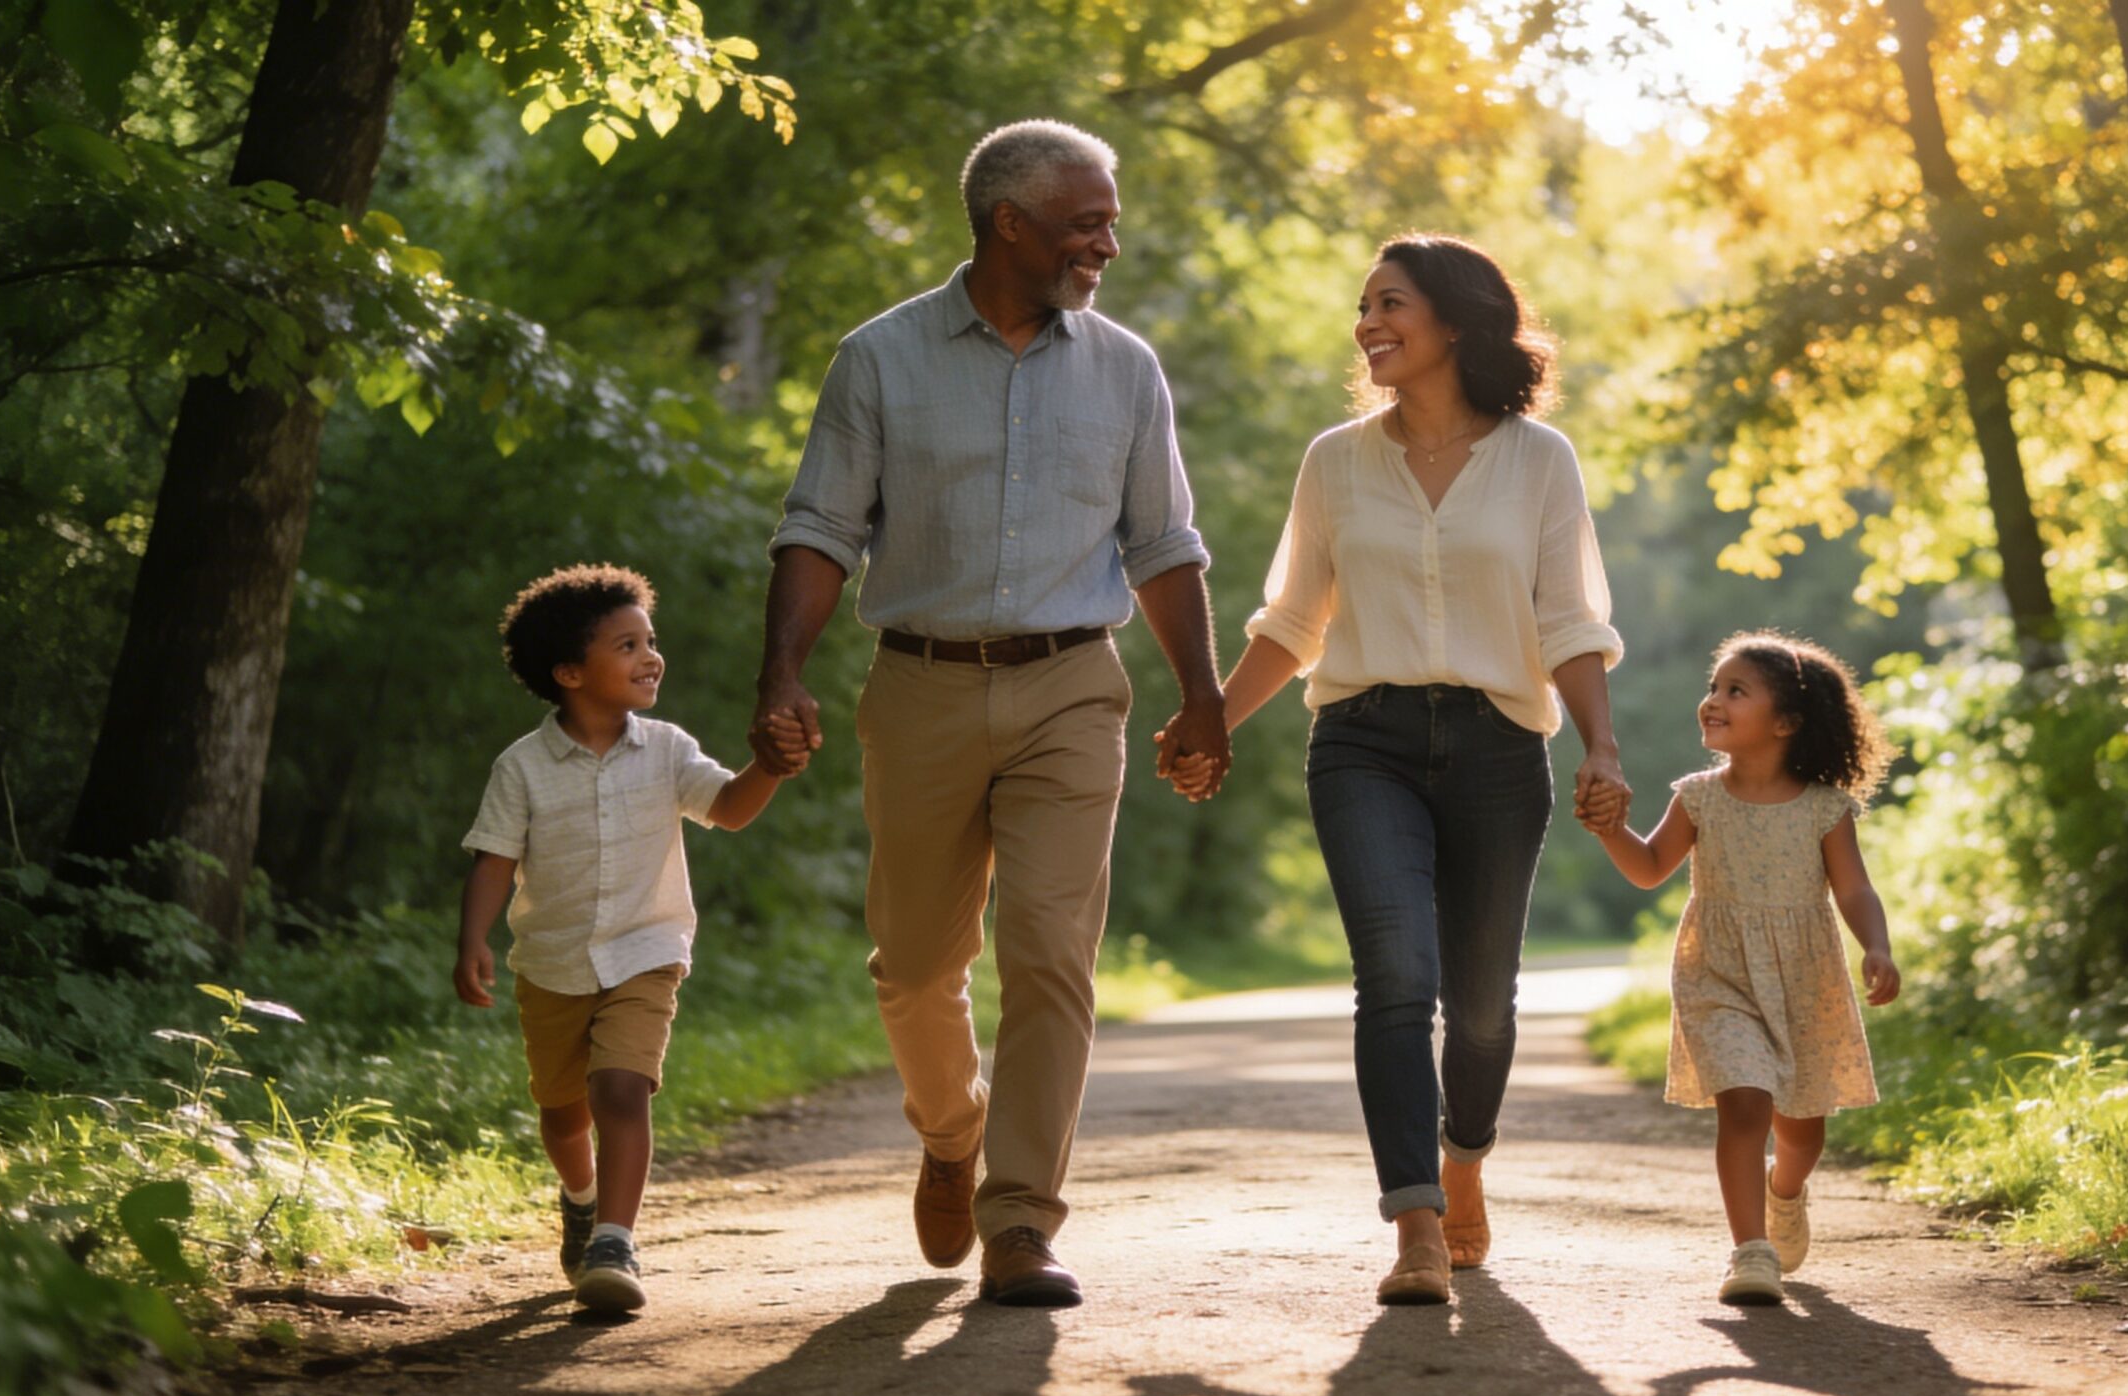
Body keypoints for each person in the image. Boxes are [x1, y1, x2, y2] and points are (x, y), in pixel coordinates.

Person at [751, 119, 1227, 1308]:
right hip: (917, 681)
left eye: (1108, 220)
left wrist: (1204, 697)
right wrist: (781, 675)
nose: (1107, 242)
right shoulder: (880, 359)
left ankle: (1020, 1219)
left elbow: (1164, 546)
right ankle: (951, 1134)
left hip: (1074, 682)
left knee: (1051, 957)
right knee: (914, 968)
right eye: (1087, 221)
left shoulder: (1125, 368)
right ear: (1008, 223)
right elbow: (818, 529)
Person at [1170, 234, 1626, 1306]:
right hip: (1362, 742)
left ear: (1456, 322)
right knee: (1395, 981)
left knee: (1479, 1009)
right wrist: (1213, 720)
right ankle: (1414, 1226)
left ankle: (1464, 1160)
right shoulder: (1336, 459)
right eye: (1363, 307)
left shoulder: (1538, 460)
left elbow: (1566, 617)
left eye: (1390, 304)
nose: (1368, 323)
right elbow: (1295, 621)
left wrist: (1602, 740)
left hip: (1498, 748)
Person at [456, 564, 799, 1313]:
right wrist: (471, 941)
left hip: (647, 951)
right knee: (561, 1112)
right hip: (550, 961)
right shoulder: (521, 768)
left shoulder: (669, 749)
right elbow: (494, 858)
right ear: (571, 673)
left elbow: (730, 809)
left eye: (651, 640)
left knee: (620, 1088)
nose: (651, 657)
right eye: (628, 645)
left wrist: (768, 767)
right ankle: (580, 1199)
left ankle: (615, 1238)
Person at [1582, 630, 1900, 1305]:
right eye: (1712, 686)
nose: (1711, 701)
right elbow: (1648, 869)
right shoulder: (1698, 797)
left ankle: (1784, 1192)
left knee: (1802, 1130)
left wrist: (1876, 945)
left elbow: (1853, 890)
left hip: (1804, 978)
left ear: (1785, 722)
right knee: (1744, 1102)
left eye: (1734, 691)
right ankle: (1750, 1252)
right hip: (1717, 974)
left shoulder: (1824, 808)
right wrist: (1611, 829)